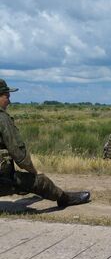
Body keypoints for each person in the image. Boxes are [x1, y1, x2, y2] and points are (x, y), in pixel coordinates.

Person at [0, 79, 90, 207]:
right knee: (41, 182)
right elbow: (19, 154)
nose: (9, 101)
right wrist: (33, 172)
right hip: (3, 180)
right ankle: (64, 198)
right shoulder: (2, 118)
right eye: (7, 97)